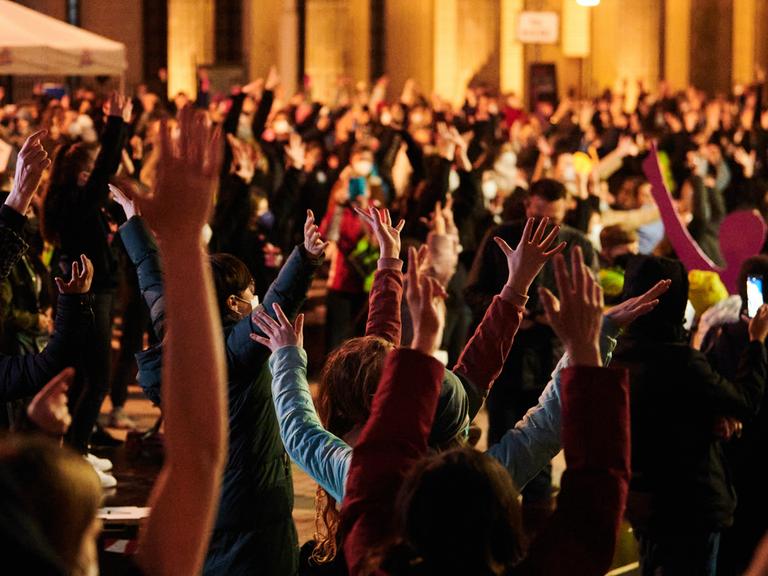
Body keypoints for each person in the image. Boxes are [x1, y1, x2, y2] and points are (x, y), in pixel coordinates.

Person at [0, 97, 228, 576]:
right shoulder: (70, 201)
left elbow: (198, 458)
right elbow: (201, 457)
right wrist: (185, 241)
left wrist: (38, 433)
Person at [335, 245, 630, 575]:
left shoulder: (371, 559)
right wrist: (589, 347)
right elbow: (586, 501)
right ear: (505, 515)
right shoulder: (370, 544)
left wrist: (423, 343)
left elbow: (376, 466)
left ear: (405, 507)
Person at [110, 178, 329, 575]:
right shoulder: (229, 351)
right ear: (233, 303)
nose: (256, 298)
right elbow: (275, 308)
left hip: (209, 503)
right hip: (254, 509)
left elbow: (152, 279)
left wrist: (133, 223)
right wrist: (306, 258)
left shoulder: (179, 333)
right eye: (250, 292)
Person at [610, 254, 768, 575]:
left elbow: (668, 415)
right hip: (691, 505)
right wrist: (756, 342)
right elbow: (745, 401)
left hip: (643, 501)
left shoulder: (616, 354)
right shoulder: (681, 360)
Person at [465, 177, 598, 534]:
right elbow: (473, 292)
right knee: (501, 449)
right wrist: (508, 309)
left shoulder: (579, 245)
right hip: (507, 360)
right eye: (538, 216)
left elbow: (589, 304)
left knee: (543, 452)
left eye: (553, 219)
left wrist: (552, 321)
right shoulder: (501, 238)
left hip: (551, 360)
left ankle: (536, 536)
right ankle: (497, 530)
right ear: (528, 207)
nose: (545, 226)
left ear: (566, 210)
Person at [40, 92, 131, 465]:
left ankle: (77, 448)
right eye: (90, 170)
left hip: (92, 292)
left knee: (84, 376)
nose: (94, 175)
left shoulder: (68, 202)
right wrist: (116, 125)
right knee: (97, 378)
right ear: (80, 174)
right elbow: (107, 167)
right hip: (91, 294)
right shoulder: (77, 203)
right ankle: (77, 450)